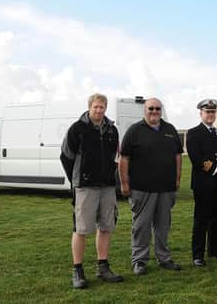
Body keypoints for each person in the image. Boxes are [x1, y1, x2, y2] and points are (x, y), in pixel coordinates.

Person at [60, 93, 124, 289]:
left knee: (106, 227)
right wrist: (77, 180)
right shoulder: (77, 129)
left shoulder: (112, 130)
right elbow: (66, 156)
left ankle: (103, 267)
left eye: (102, 107)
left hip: (107, 186)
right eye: (96, 107)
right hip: (85, 187)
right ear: (89, 107)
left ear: (105, 108)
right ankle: (77, 270)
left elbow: (116, 156)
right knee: (81, 229)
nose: (99, 110)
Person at [118, 97, 183, 275]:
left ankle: (164, 258)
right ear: (144, 110)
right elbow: (124, 158)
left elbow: (178, 155)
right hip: (142, 189)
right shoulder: (134, 131)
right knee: (141, 226)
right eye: (151, 109)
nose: (154, 112)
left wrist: (177, 179)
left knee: (163, 226)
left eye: (157, 109)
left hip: (166, 188)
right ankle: (139, 260)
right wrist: (124, 183)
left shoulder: (170, 130)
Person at [186, 98, 217, 267]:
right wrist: (216, 170)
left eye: (213, 112)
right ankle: (198, 254)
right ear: (201, 113)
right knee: (201, 219)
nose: (211, 115)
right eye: (208, 112)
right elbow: (196, 158)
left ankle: (215, 250)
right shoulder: (194, 133)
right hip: (203, 183)